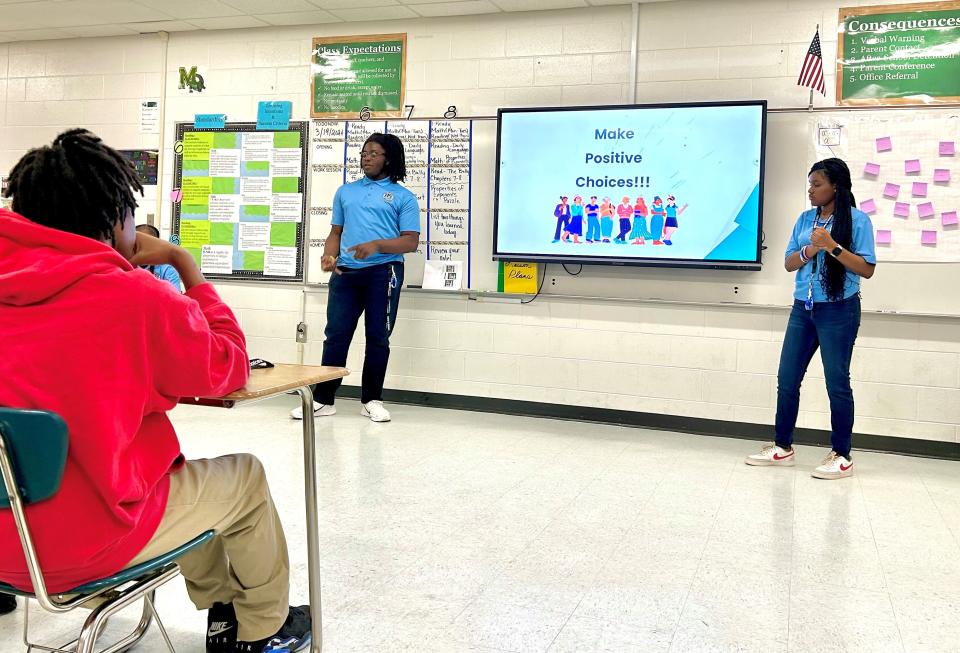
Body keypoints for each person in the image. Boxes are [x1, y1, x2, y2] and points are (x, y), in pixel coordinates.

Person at [0, 129, 311, 653]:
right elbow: (228, 365)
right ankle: (265, 629)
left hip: (7, 542)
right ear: (113, 218)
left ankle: (220, 608)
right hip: (83, 543)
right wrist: (186, 266)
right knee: (245, 479)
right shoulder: (133, 296)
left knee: (173, 471)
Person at [746, 158, 876, 479]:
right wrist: (810, 251)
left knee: (837, 382)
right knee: (787, 378)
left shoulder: (858, 221)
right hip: (802, 309)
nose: (811, 190)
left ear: (836, 186)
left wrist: (831, 247)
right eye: (810, 184)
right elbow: (790, 263)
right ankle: (782, 446)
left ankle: (841, 454)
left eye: (817, 184)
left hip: (839, 310)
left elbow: (867, 269)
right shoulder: (805, 220)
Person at [291, 133, 420, 423]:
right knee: (335, 336)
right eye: (364, 152)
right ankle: (324, 399)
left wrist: (377, 245)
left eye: (374, 153)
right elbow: (335, 233)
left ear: (389, 158)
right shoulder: (345, 192)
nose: (366, 157)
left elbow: (410, 242)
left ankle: (372, 399)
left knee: (377, 337)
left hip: (383, 273)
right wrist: (329, 256)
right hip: (346, 274)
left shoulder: (403, 197)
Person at [135, 223, 182, 291]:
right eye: (138, 243)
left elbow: (176, 297)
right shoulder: (124, 266)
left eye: (149, 244)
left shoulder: (167, 268)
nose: (143, 248)